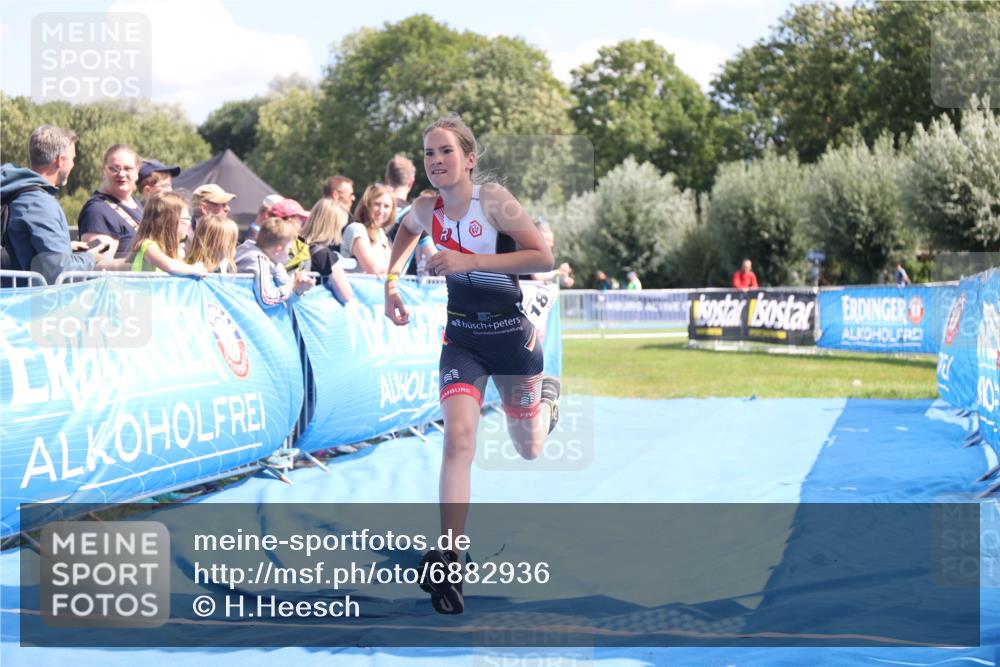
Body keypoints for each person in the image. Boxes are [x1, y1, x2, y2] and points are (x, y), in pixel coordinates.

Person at [384, 114, 560, 615]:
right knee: (458, 439)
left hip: (512, 339)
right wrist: (390, 284)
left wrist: (469, 262)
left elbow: (541, 257)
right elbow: (406, 231)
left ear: (469, 159)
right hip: (462, 338)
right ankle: (450, 558)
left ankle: (548, 400)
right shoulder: (424, 207)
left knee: (529, 447)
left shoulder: (494, 199)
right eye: (428, 154)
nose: (436, 161)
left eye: (445, 152)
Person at [1, 125, 108, 284]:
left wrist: (65, 247)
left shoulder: (14, 189)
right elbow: (59, 270)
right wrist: (89, 258)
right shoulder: (39, 203)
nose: (73, 164)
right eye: (72, 158)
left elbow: (19, 242)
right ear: (60, 160)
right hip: (26, 304)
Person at [78, 144, 144, 258]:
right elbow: (97, 265)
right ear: (103, 171)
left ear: (137, 172)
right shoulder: (97, 211)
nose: (122, 174)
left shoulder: (136, 204)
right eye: (114, 169)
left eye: (128, 168)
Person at [234, 216, 314, 309]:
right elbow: (266, 299)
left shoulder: (273, 258)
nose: (289, 253)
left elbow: (287, 287)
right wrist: (293, 286)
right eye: (289, 249)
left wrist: (299, 288)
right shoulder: (259, 259)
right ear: (277, 250)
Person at [129, 192, 206, 276]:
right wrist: (194, 269)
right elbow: (169, 266)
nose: (188, 223)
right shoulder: (148, 245)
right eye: (186, 218)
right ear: (168, 222)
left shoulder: (172, 250)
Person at [300, 197, 353, 303]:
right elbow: (346, 296)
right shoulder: (325, 255)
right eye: (342, 227)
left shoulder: (296, 243)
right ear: (334, 226)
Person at [343, 183, 395, 275]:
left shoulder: (382, 234)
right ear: (367, 205)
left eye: (386, 206)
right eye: (377, 204)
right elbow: (373, 269)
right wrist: (398, 261)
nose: (381, 210)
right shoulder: (356, 229)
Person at [270, 198, 312, 272]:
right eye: (299, 218)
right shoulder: (269, 247)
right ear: (289, 221)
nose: (302, 221)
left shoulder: (300, 245)